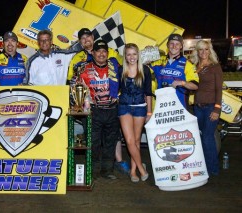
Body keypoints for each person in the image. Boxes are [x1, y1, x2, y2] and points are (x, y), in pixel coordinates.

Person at [68, 28, 129, 174]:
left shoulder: (116, 67)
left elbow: (129, 77)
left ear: (107, 53)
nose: (101, 54)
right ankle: (93, 170)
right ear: (93, 53)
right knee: (94, 142)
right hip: (93, 111)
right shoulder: (83, 68)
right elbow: (74, 88)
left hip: (112, 109)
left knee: (110, 142)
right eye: (98, 51)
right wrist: (80, 105)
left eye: (104, 51)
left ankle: (107, 171)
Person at [118, 43, 152, 182]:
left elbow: (148, 92)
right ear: (125, 56)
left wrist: (149, 112)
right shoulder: (120, 70)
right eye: (129, 54)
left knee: (137, 141)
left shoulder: (145, 70)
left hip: (140, 107)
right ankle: (141, 168)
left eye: (134, 54)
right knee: (130, 141)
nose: (132, 57)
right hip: (124, 107)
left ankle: (133, 171)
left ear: (138, 55)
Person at [190, 40, 223, 176]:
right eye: (201, 50)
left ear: (210, 51)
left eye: (206, 49)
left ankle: (213, 169)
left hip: (210, 108)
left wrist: (217, 109)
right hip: (197, 108)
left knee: (208, 137)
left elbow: (219, 90)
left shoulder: (215, 67)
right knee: (201, 137)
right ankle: (204, 166)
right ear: (197, 51)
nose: (203, 52)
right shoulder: (194, 66)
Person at [150, 33, 199, 108]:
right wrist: (147, 54)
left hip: (179, 107)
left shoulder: (187, 64)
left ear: (181, 46)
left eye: (177, 44)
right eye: (171, 43)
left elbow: (195, 86)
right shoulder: (158, 61)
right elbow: (141, 68)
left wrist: (182, 83)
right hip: (161, 107)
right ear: (167, 45)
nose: (174, 46)